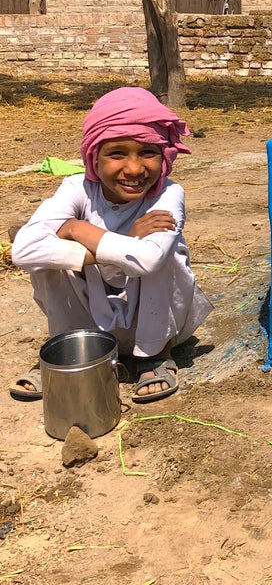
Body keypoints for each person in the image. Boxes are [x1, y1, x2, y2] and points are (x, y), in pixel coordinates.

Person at [9, 87, 212, 404]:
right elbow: (23, 250)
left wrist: (76, 228)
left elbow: (148, 260)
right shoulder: (76, 188)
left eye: (148, 152)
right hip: (90, 321)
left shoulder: (168, 194)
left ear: (163, 156)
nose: (134, 169)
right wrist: (123, 243)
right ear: (94, 156)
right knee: (46, 261)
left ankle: (155, 357)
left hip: (154, 322)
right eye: (117, 154)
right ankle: (69, 349)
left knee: (167, 254)